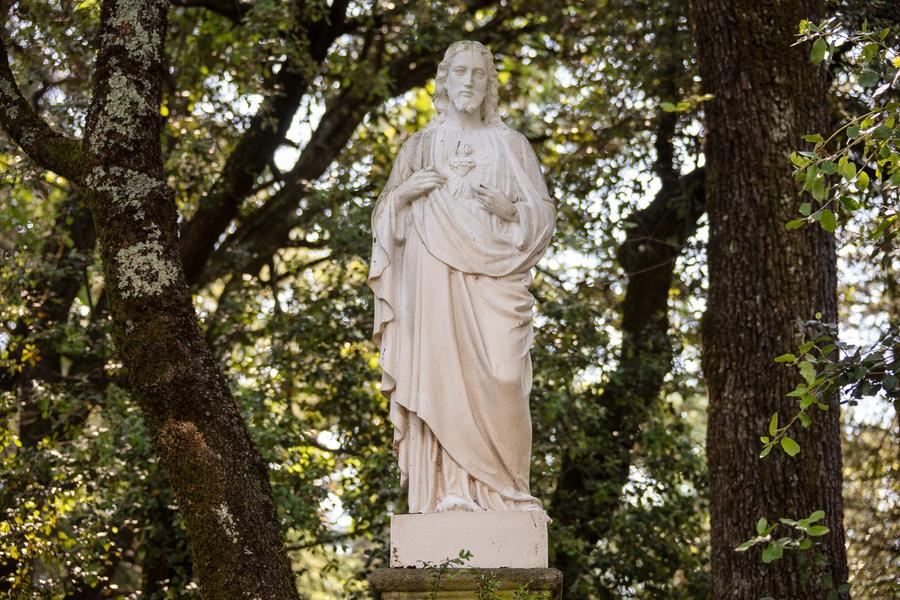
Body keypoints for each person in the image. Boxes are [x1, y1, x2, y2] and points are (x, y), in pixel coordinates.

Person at [369, 40, 555, 514]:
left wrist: (510, 209)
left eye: (478, 74)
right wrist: (406, 192)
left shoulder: (511, 145)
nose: (469, 81)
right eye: (460, 72)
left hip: (497, 280)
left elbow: (543, 213)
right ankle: (450, 489)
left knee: (506, 375)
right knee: (441, 376)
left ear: (489, 84)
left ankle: (510, 491)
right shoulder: (419, 146)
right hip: (434, 277)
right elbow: (385, 221)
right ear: (445, 80)